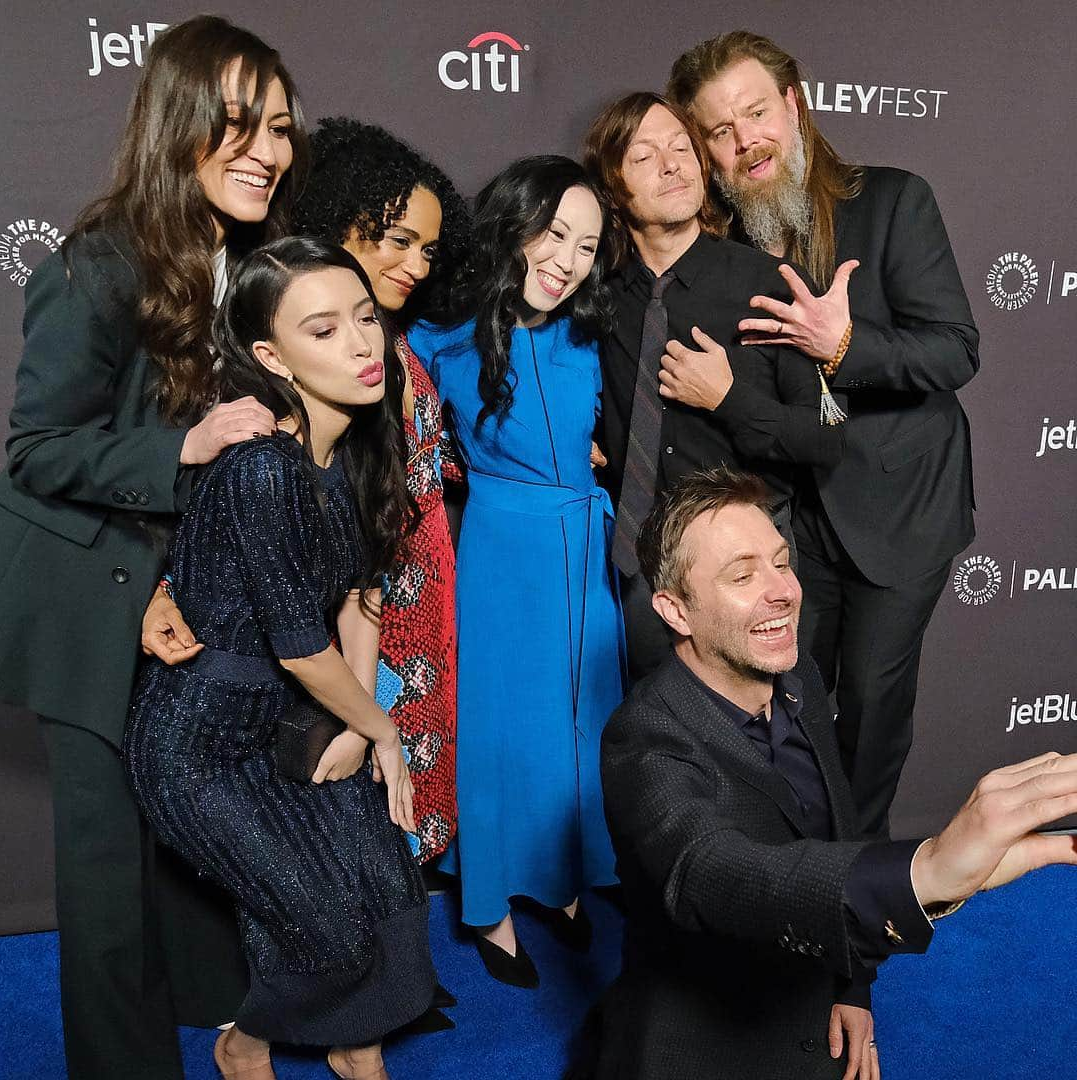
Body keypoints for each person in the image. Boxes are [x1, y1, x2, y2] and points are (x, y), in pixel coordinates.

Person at [0, 17, 306, 1079]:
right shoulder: (100, 259)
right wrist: (186, 442)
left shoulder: (244, 261)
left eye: (278, 127)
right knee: (106, 866)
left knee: (188, 822)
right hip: (82, 589)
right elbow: (37, 450)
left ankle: (213, 1013)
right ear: (177, 127)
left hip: (176, 588)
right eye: (237, 125)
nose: (268, 149)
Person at [584, 466, 1077, 1080]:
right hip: (702, 1047)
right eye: (742, 574)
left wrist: (852, 987)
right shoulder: (642, 739)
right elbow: (713, 873)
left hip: (815, 997)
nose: (784, 591)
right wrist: (922, 872)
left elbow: (836, 837)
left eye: (781, 562)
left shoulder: (800, 678)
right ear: (676, 611)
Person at [125, 237, 434, 1080]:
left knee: (388, 875)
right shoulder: (263, 469)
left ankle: (356, 1045)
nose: (363, 345)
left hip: (285, 723)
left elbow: (360, 601)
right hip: (198, 747)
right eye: (325, 330)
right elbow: (301, 650)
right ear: (270, 356)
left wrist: (355, 722)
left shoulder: (365, 447)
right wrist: (383, 734)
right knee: (325, 921)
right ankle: (245, 1045)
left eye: (366, 320)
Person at [666, 32, 978, 837]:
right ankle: (793, 870)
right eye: (721, 132)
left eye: (758, 113)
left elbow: (955, 349)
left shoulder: (894, 200)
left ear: (795, 109)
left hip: (898, 511)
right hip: (789, 519)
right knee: (785, 698)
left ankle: (857, 892)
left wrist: (842, 346)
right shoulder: (718, 251)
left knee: (870, 708)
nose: (747, 142)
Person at [407, 156, 626, 987]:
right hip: (504, 550)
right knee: (502, 729)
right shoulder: (438, 334)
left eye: (586, 244)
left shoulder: (588, 330)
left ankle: (564, 882)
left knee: (583, 721)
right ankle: (491, 903)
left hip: (587, 543)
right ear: (512, 225)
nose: (567, 259)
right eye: (553, 233)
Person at [582, 92, 844, 682]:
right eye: (645, 156)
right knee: (656, 741)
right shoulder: (597, 293)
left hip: (751, 561)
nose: (673, 164)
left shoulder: (768, 284)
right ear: (612, 187)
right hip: (643, 567)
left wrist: (728, 398)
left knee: (765, 738)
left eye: (683, 149)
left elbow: (826, 437)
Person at [292, 117, 471, 868]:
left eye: (428, 248)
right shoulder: (329, 354)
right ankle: (372, 977)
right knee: (359, 799)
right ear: (343, 222)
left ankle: (399, 968)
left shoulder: (395, 341)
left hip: (424, 597)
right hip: (365, 609)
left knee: (406, 805)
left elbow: (425, 460)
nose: (417, 263)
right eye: (397, 239)